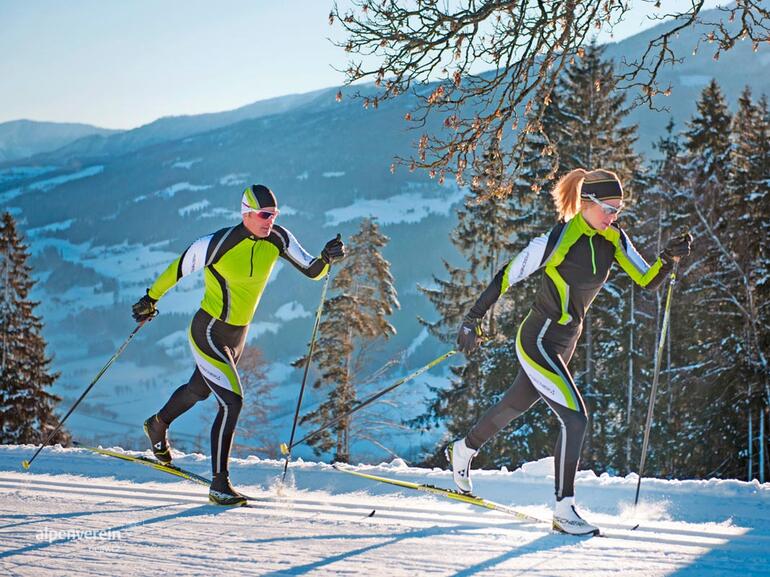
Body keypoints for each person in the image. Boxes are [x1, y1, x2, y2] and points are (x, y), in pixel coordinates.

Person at [448, 168, 691, 535]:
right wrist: (472, 319)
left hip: (565, 343)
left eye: (618, 209)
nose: (614, 216)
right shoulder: (560, 238)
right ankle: (564, 509)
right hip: (538, 340)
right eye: (609, 208)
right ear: (587, 203)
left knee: (515, 404)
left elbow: (647, 280)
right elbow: (507, 275)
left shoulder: (614, 239)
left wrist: (667, 258)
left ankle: (464, 450)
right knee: (575, 418)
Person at [131, 184, 345, 506]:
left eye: (274, 214)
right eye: (263, 214)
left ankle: (157, 424)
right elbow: (177, 269)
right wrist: (150, 299)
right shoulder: (216, 244)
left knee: (198, 390)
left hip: (237, 336)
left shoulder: (279, 239)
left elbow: (313, 271)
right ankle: (219, 484)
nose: (269, 220)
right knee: (232, 401)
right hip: (209, 330)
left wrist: (327, 257)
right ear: (245, 213)